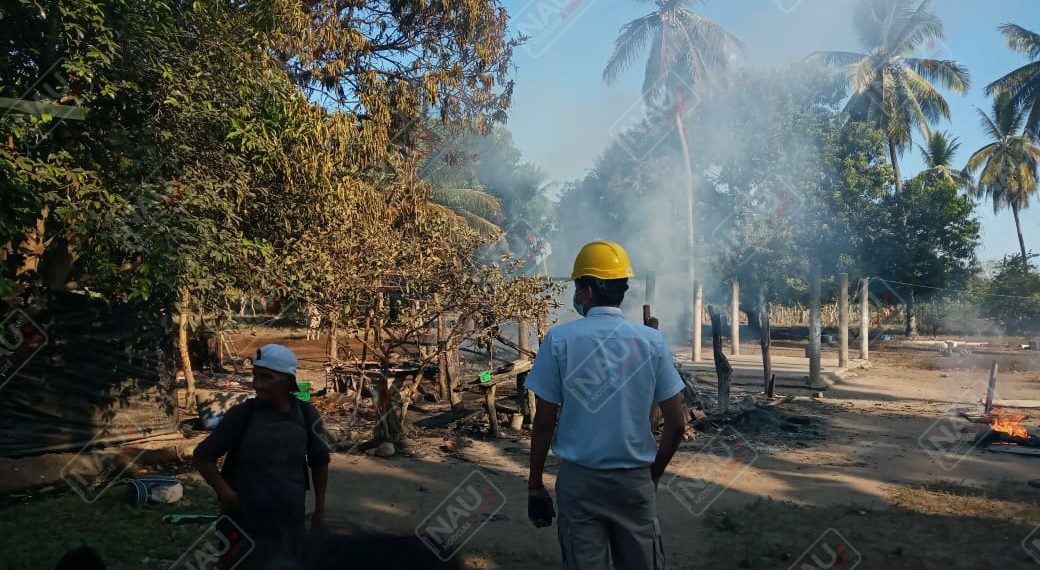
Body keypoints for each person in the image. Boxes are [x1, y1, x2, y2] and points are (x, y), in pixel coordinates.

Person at [526, 241, 687, 570]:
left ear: (586, 291)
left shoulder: (559, 340)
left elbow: (544, 423)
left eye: (576, 288)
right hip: (634, 481)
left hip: (579, 483)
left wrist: (535, 485)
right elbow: (677, 423)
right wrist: (652, 475)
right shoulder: (651, 342)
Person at [194, 343, 330, 569]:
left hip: (289, 522)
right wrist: (226, 493)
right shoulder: (243, 415)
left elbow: (320, 461)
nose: (257, 384)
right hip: (243, 524)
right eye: (255, 376)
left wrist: (320, 510)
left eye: (266, 377)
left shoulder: (307, 415)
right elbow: (203, 457)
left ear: (288, 381)